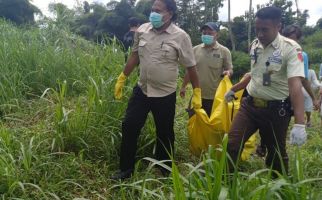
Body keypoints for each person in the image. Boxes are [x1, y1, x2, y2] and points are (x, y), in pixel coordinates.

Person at [112, 0, 201, 180]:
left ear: (170, 13)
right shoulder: (143, 30)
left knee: (165, 132)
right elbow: (134, 56)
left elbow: (191, 67)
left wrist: (197, 92)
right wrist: (122, 77)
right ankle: (125, 170)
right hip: (142, 90)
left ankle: (165, 169)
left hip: (165, 94)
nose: (153, 13)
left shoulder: (181, 36)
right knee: (129, 126)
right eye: (152, 9)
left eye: (158, 10)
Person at [225, 6, 307, 177]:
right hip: (249, 106)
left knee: (276, 152)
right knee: (232, 144)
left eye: (265, 30)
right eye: (257, 29)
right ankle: (226, 180)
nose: (260, 34)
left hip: (276, 110)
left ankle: (280, 186)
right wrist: (233, 89)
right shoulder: (255, 45)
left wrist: (300, 123)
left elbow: (295, 85)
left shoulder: (290, 48)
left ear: (278, 27)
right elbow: (255, 74)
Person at [180, 22, 233, 116]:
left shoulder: (224, 51)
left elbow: (229, 69)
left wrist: (228, 72)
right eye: (204, 33)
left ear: (217, 34)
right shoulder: (195, 50)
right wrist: (183, 86)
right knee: (195, 125)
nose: (206, 35)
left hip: (215, 97)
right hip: (197, 95)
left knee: (212, 126)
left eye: (210, 33)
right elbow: (189, 71)